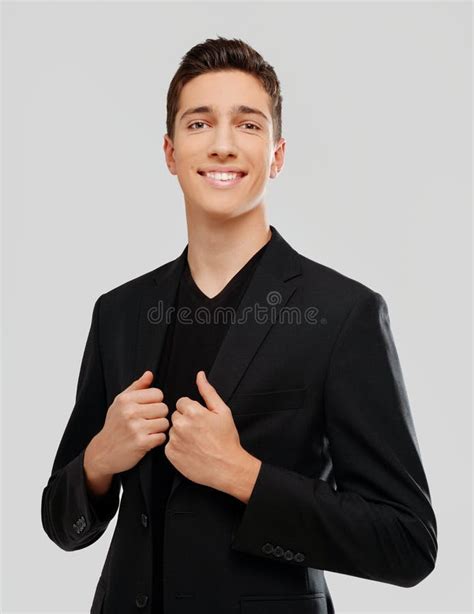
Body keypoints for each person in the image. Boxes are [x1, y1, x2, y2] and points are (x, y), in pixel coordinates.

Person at [41, 36, 437, 614]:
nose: (223, 144)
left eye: (248, 126)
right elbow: (61, 522)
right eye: (199, 124)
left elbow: (408, 543)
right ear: (170, 152)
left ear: (276, 155)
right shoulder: (119, 312)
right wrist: (100, 459)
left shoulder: (342, 313)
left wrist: (244, 476)